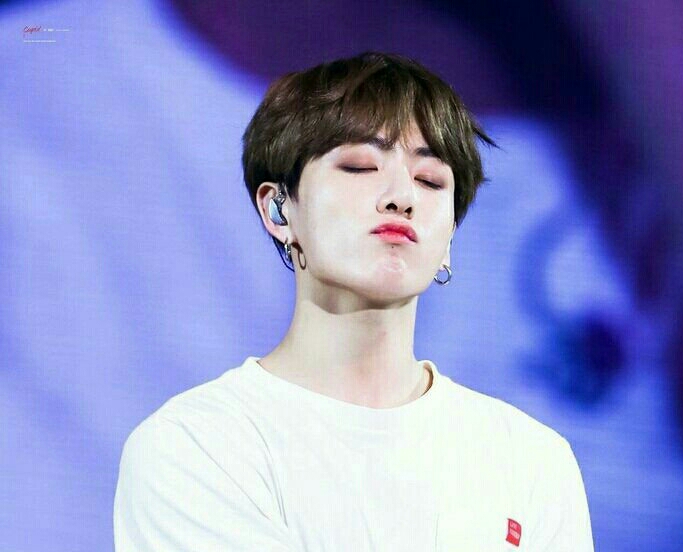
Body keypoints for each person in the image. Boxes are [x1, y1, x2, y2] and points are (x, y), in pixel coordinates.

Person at [113, 52, 594, 551]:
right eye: (360, 167)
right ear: (279, 209)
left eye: (430, 180)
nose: (401, 196)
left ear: (450, 235)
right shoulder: (196, 445)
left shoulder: (530, 460)